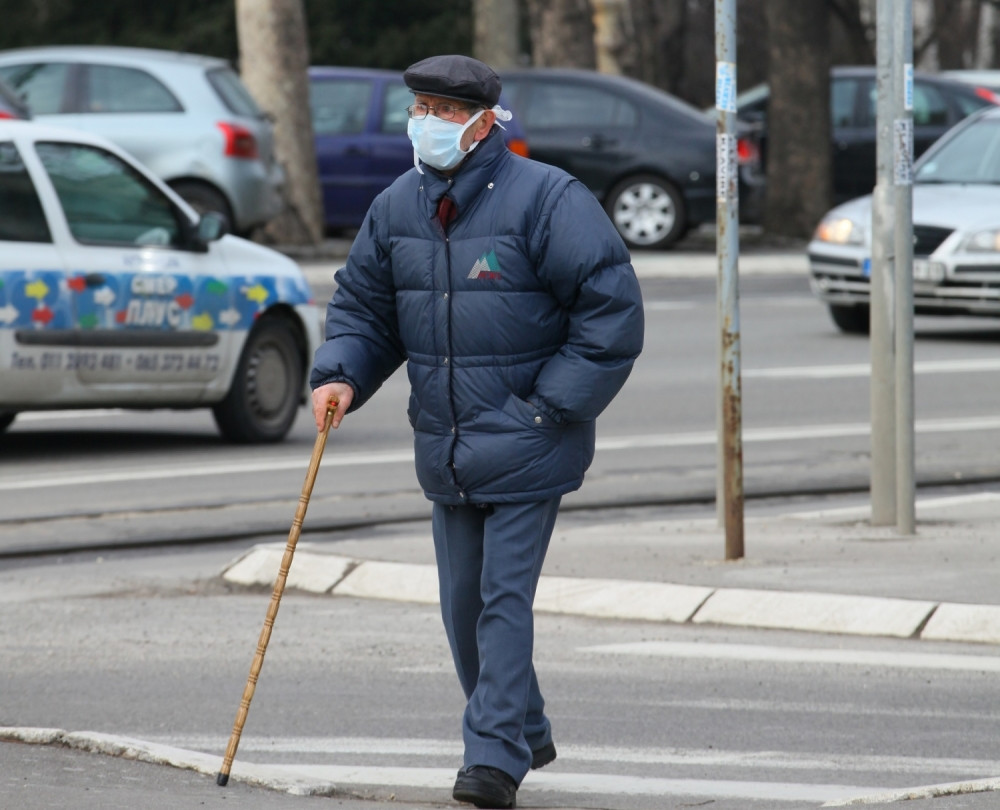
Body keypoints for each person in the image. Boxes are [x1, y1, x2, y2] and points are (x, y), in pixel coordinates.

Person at [310, 54, 644, 809]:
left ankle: (492, 758)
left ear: (485, 122)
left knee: (501, 597)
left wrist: (548, 408)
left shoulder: (547, 198)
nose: (425, 121)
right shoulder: (398, 206)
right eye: (419, 106)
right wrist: (340, 374)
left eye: (443, 110)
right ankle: (524, 723)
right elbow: (365, 309)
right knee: (462, 604)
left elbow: (611, 312)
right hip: (447, 442)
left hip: (530, 439)